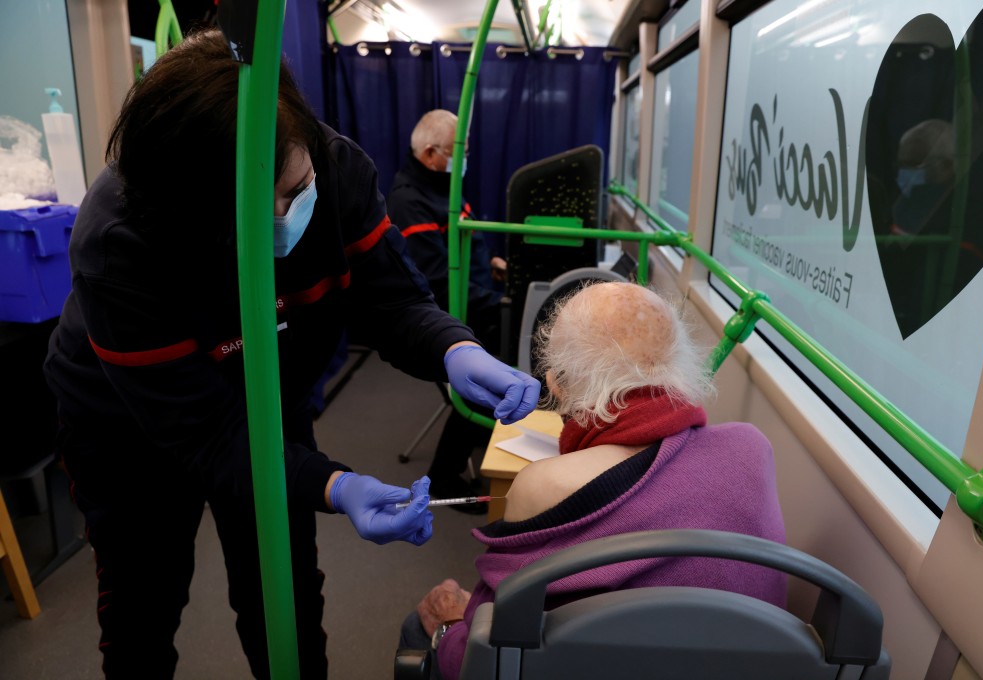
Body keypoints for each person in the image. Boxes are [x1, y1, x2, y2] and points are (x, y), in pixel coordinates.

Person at [42, 29, 539, 680]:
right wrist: (335, 484)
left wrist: (454, 349)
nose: (282, 216)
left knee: (284, 596)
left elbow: (390, 301)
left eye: (293, 186)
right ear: (190, 209)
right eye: (249, 209)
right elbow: (213, 440)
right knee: (143, 601)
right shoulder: (121, 242)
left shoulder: (339, 171)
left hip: (266, 390)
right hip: (130, 427)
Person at [400, 282, 787, 679]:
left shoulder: (543, 486)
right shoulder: (752, 448)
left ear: (558, 387)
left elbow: (489, 651)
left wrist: (448, 628)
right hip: (741, 666)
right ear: (680, 364)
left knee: (422, 624)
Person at [387, 109, 508, 511]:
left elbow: (462, 245)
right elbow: (437, 280)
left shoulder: (443, 185)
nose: (464, 158)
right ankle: (443, 474)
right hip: (453, 315)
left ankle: (483, 428)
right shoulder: (410, 200)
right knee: (488, 371)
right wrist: (500, 302)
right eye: (459, 150)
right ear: (430, 153)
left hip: (478, 297)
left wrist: (492, 266)